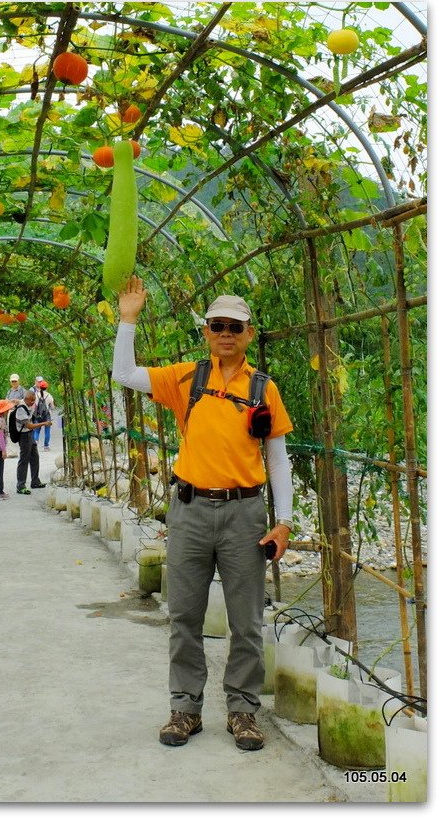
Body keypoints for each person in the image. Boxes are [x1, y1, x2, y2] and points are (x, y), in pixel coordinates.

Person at [112, 276, 294, 751]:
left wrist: (284, 521)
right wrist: (127, 320)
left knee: (247, 621)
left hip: (244, 513)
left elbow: (277, 460)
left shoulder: (263, 388)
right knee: (184, 616)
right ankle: (185, 709)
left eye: (235, 326)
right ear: (207, 332)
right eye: (218, 325)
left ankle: (242, 711)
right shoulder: (186, 379)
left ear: (249, 333)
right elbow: (124, 375)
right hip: (189, 509)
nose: (226, 333)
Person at [13, 389, 51, 494]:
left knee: (35, 457)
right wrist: (44, 423)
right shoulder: (21, 408)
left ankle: (35, 481)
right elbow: (28, 425)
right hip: (24, 435)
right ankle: (20, 485)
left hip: (30, 434)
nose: (33, 403)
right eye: (32, 401)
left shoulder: (28, 406)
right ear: (27, 399)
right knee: (24, 460)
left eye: (34, 400)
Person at [33, 381, 56, 450]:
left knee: (36, 430)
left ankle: (35, 442)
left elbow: (34, 406)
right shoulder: (49, 396)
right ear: (46, 387)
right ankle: (46, 446)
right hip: (47, 416)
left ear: (39, 387)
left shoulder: (36, 395)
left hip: (38, 415)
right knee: (47, 431)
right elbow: (52, 407)